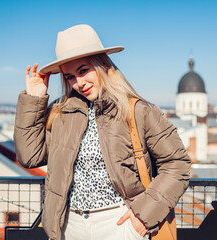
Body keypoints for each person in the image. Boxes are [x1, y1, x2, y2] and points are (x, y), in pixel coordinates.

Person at [14, 24, 191, 240]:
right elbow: (30, 156)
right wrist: (34, 99)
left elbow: (177, 164)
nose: (79, 83)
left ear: (102, 65)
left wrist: (143, 217)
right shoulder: (61, 113)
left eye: (83, 70)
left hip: (120, 223)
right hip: (69, 226)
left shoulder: (139, 111)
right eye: (69, 76)